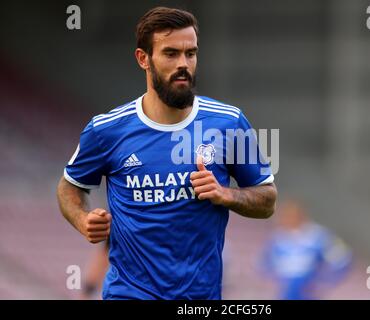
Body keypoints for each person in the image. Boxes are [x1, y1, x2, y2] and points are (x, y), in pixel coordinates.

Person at [56, 7, 277, 300]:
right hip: (129, 294)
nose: (183, 64)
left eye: (191, 53)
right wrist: (83, 219)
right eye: (171, 54)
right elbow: (69, 187)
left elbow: (267, 200)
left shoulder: (228, 122)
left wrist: (227, 195)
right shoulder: (106, 130)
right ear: (143, 59)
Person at [260, 199, 352, 300]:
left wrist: (325, 281)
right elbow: (265, 265)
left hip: (309, 293)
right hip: (285, 293)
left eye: (290, 215)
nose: (286, 219)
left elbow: (342, 259)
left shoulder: (317, 236)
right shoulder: (278, 239)